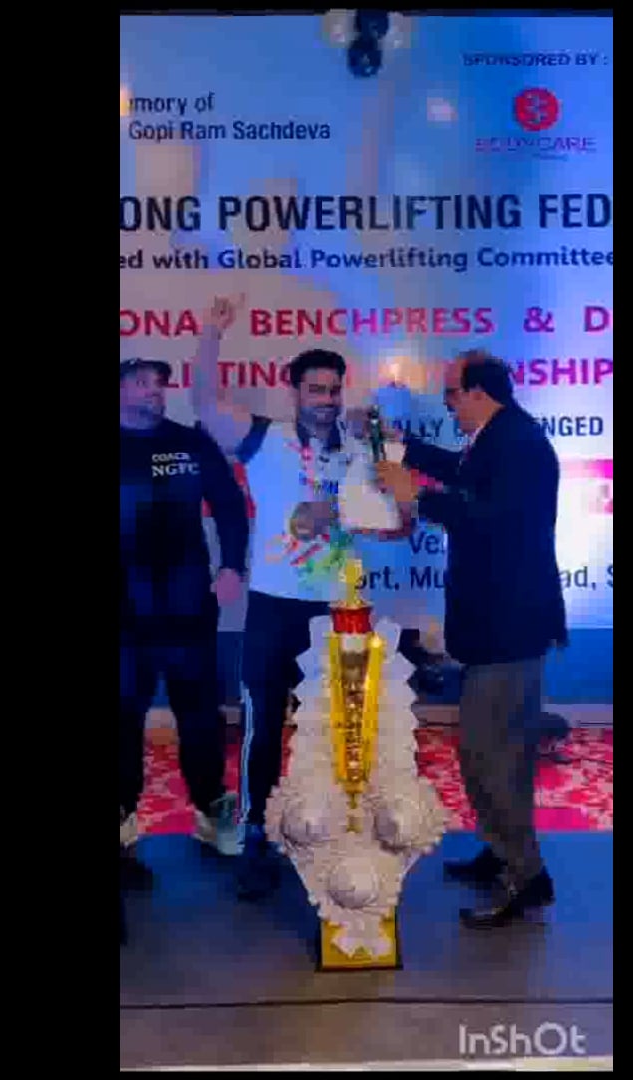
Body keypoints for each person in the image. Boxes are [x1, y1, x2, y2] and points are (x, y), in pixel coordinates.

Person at [374, 350, 568, 929]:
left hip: (511, 627)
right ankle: (499, 849)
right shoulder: (497, 436)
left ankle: (526, 877)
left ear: (479, 393)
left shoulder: (520, 444)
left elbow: (490, 519)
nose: (448, 405)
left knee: (494, 754)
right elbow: (462, 473)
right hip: (496, 625)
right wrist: (404, 447)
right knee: (491, 750)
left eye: (452, 394)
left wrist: (415, 497)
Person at [191, 294, 367, 900]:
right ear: (294, 392)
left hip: (336, 610)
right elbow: (204, 403)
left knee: (334, 733)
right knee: (262, 730)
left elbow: (389, 513)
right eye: (316, 389)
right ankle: (256, 839)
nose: (326, 399)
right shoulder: (265, 437)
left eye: (334, 390)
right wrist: (212, 333)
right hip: (272, 607)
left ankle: (325, 836)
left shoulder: (358, 445)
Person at [120, 356, 249, 898]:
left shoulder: (190, 443)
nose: (155, 391)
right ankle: (122, 822)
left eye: (160, 383)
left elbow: (230, 506)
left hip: (188, 608)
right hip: (124, 616)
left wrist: (231, 565)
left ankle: (211, 811)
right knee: (122, 716)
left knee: (199, 716)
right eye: (142, 383)